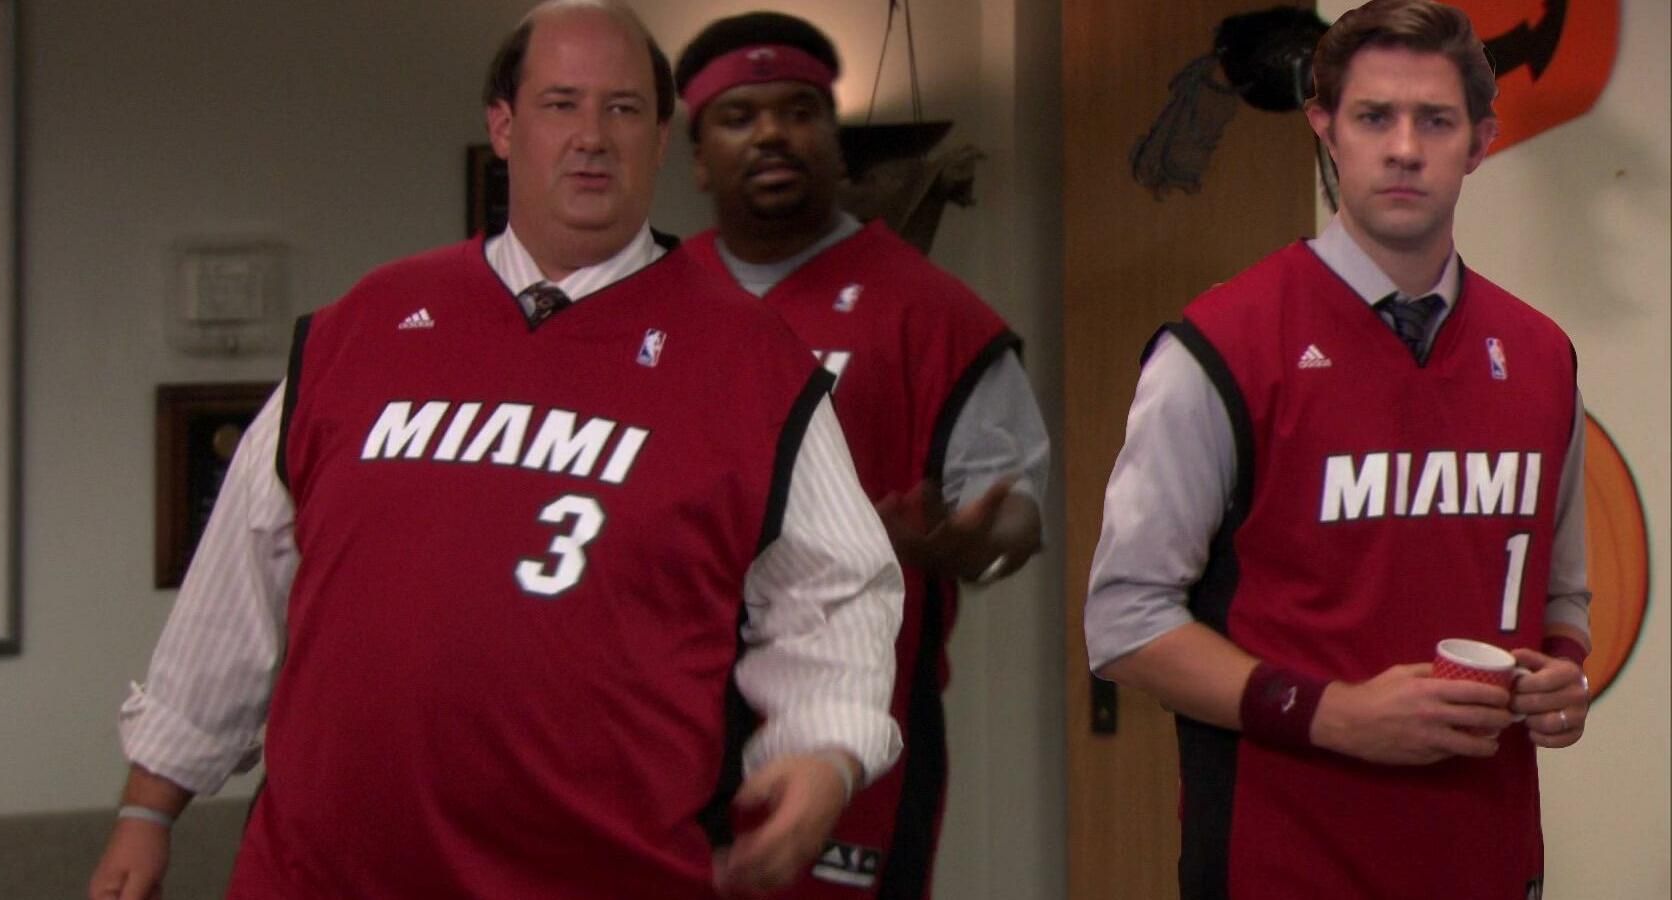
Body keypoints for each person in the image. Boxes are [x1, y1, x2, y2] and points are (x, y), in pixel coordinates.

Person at [86, 2, 905, 898]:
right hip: (317, 876)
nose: (592, 137)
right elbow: (236, 584)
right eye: (561, 104)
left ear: (663, 136)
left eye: (624, 109)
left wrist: (827, 749)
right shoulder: (360, 329)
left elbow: (838, 592)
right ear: (504, 125)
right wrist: (147, 810)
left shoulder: (752, 366)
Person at [1084, 2, 1592, 897]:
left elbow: (1559, 594)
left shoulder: (1543, 356)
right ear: (1325, 129)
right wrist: (1333, 715)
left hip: (1489, 857)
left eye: (1434, 121)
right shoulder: (1219, 347)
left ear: (1480, 141)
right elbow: (1125, 623)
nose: (1404, 148)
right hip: (1282, 861)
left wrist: (1560, 673)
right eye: (1372, 117)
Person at [673, 14, 1049, 896]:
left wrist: (964, 541)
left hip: (852, 720)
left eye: (799, 111)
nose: (771, 133)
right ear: (695, 157)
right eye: (739, 116)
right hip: (657, 712)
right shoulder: (649, 303)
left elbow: (1015, 514)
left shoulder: (933, 312)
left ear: (835, 140)